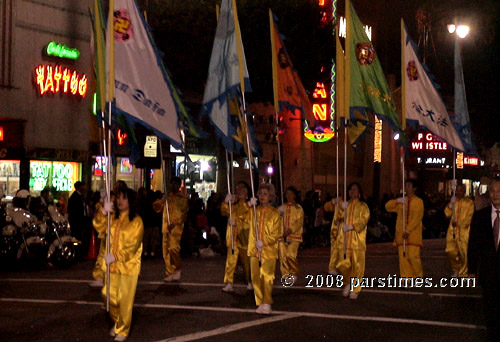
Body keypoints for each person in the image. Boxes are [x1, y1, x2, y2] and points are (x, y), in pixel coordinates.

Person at [93, 187, 143, 342]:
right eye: (118, 198)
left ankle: (123, 329)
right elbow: (98, 227)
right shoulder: (112, 217)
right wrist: (103, 211)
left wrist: (114, 256)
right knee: (109, 296)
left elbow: (132, 247)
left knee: (125, 301)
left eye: (124, 198)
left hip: (128, 267)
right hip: (111, 265)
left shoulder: (136, 221)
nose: (120, 201)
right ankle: (117, 323)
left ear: (131, 201)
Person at [468, 177, 500, 341]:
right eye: (492, 191)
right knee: (490, 311)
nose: (496, 195)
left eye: (499, 191)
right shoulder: (480, 217)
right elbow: (473, 245)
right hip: (488, 275)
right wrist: (472, 270)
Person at [332, 183, 370, 299]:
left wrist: (352, 226)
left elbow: (363, 220)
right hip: (344, 240)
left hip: (357, 240)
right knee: (342, 264)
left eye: (355, 189)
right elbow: (336, 217)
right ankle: (348, 282)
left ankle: (356, 289)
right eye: (351, 189)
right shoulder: (345, 205)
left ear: (359, 192)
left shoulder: (363, 206)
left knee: (357, 266)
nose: (352, 191)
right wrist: (336, 205)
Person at [248, 183, 281, 315]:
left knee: (267, 276)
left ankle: (267, 301)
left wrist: (265, 242)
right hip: (254, 249)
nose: (262, 196)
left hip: (268, 250)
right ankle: (260, 301)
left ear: (271, 196)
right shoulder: (253, 211)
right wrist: (248, 205)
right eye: (260, 193)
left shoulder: (274, 213)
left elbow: (277, 233)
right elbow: (240, 217)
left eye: (265, 194)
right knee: (255, 277)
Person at [385, 179, 424, 282]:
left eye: (409, 185)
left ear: (414, 188)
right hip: (401, 235)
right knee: (403, 259)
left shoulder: (419, 202)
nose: (407, 187)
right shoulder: (402, 201)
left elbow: (417, 218)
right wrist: (397, 201)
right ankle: (406, 280)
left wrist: (408, 230)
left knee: (413, 257)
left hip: (413, 235)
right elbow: (387, 207)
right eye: (406, 185)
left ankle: (417, 277)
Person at [154, 177, 188, 282]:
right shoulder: (166, 197)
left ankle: (177, 268)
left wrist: (174, 223)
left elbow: (183, 214)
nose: (173, 186)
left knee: (174, 248)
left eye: (175, 184)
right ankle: (170, 272)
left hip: (175, 228)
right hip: (165, 227)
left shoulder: (182, 199)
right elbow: (156, 208)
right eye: (171, 184)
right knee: (166, 252)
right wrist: (162, 200)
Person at [220, 181, 252, 292]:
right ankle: (229, 282)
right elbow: (224, 211)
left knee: (246, 262)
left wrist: (236, 222)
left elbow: (246, 219)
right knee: (231, 261)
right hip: (233, 237)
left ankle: (249, 281)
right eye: (238, 189)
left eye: (243, 190)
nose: (240, 192)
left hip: (244, 238)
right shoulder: (233, 205)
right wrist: (225, 202)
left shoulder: (250, 206)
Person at [444, 183, 474, 277]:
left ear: (464, 191)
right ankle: (456, 268)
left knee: (464, 253)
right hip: (452, 231)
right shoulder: (454, 202)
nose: (458, 192)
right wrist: (450, 205)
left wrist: (460, 224)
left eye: (461, 190)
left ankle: (464, 273)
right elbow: (447, 214)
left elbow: (470, 216)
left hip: (464, 232)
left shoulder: (469, 203)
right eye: (457, 190)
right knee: (450, 251)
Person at [278, 186, 304, 282]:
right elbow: (275, 220)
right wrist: (278, 214)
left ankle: (293, 272)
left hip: (294, 236)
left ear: (294, 195)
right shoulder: (282, 207)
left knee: (290, 255)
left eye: (291, 194)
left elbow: (299, 222)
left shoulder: (298, 208)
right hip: (282, 236)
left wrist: (290, 230)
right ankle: (285, 275)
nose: (288, 196)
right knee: (283, 257)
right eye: (287, 194)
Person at [68, 181, 89, 258]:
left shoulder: (80, 197)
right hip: (77, 221)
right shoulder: (75, 197)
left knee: (80, 237)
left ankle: (79, 254)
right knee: (77, 237)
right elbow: (74, 211)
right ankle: (77, 255)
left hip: (80, 220)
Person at [324, 195, 340, 275]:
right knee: (335, 248)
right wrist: (332, 203)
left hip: (348, 229)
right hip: (337, 229)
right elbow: (326, 207)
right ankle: (333, 267)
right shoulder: (339, 200)